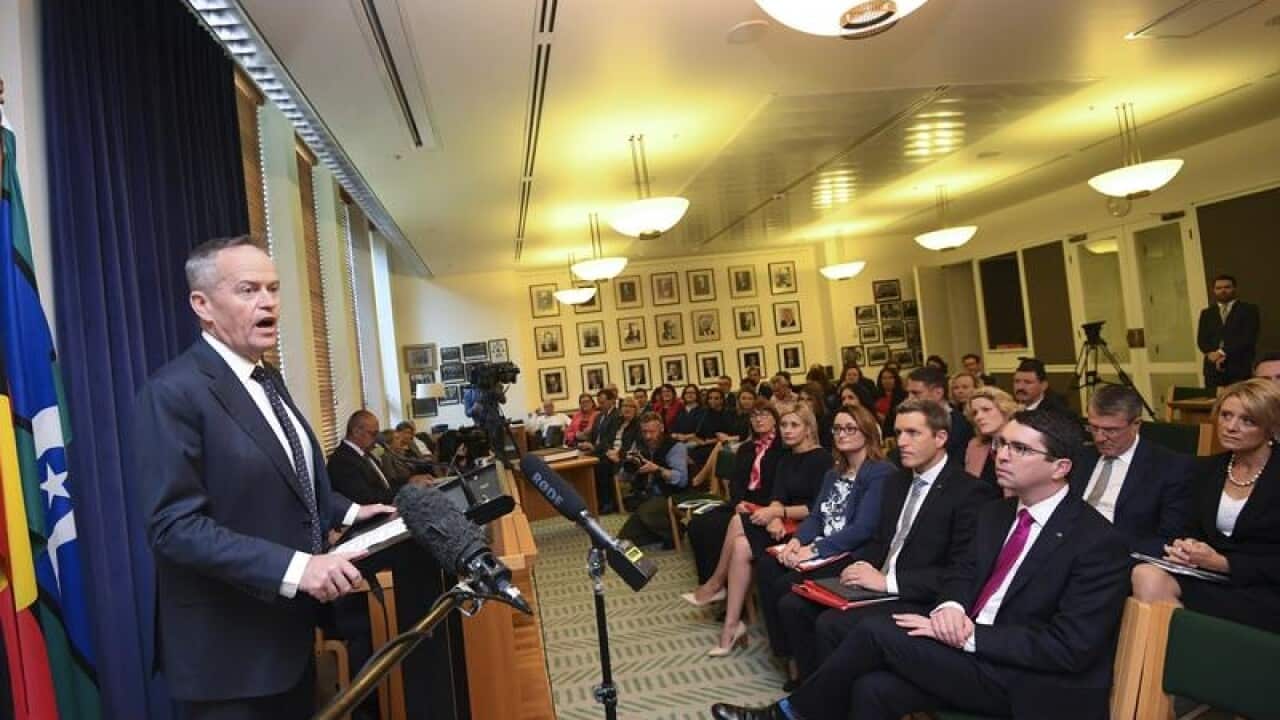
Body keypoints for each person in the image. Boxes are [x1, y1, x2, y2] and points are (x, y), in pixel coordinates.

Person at [712, 409, 1130, 720]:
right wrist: (950, 606)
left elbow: (1068, 648)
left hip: (1029, 680)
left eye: (1019, 449)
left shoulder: (1097, 542)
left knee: (875, 631)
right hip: (972, 649)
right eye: (1002, 444)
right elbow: (964, 573)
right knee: (872, 688)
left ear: (1060, 467)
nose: (1001, 456)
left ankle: (786, 714)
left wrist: (967, 636)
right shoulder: (998, 514)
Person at [137, 236, 393, 718]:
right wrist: (299, 569)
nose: (269, 301)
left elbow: (285, 478)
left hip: (288, 640)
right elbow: (174, 527)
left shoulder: (266, 377)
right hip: (229, 659)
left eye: (273, 288)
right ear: (202, 305)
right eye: (248, 289)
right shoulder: (172, 393)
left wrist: (351, 512)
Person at [779, 399, 996, 679]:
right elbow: (881, 540)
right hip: (878, 579)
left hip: (914, 592)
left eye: (913, 433)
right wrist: (862, 565)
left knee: (831, 624)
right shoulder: (898, 481)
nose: (902, 442)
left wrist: (887, 582)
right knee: (794, 604)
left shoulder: (969, 492)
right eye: (899, 432)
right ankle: (811, 686)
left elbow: (959, 570)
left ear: (940, 438)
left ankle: (823, 698)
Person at [758, 404, 895, 683]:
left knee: (787, 588)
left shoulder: (880, 472)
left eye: (850, 428)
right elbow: (817, 516)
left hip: (851, 553)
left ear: (867, 432)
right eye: (837, 429)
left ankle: (808, 674)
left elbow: (863, 529)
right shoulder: (834, 473)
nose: (842, 434)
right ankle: (788, 656)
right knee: (767, 565)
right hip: (823, 547)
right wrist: (797, 541)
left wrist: (812, 550)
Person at [1131, 379, 1280, 633]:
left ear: (1271, 427)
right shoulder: (1207, 468)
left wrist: (1224, 563)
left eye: (1247, 421)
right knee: (1145, 575)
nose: (1231, 427)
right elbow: (1192, 528)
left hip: (1265, 586)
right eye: (1226, 415)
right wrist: (1187, 548)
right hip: (1212, 575)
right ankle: (1177, 652)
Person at [684, 404, 832, 657]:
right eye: (784, 425)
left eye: (794, 425)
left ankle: (716, 585)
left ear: (808, 429)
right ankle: (731, 625)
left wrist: (778, 513)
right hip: (783, 522)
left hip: (806, 529)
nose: (787, 430)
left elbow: (817, 509)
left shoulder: (822, 459)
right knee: (741, 544)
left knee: (737, 522)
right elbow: (778, 495)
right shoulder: (786, 458)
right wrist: (774, 513)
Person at [1073, 384, 1193, 556]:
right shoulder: (1080, 457)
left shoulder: (1170, 467)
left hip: (1122, 556)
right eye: (1093, 427)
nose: (1099, 438)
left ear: (1136, 424)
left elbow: (1169, 538)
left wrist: (1107, 548)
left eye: (1110, 430)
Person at [686, 404, 786, 583]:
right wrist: (739, 501)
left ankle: (722, 583)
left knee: (717, 528)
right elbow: (736, 481)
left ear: (775, 420)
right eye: (754, 416)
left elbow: (781, 487)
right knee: (697, 524)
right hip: (742, 503)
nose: (758, 419)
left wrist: (762, 508)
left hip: (766, 506)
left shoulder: (783, 449)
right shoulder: (746, 448)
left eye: (764, 415)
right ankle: (708, 580)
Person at [617, 413, 696, 547]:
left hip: (670, 494)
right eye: (644, 432)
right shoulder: (639, 444)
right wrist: (628, 466)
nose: (648, 436)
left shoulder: (675, 447)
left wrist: (657, 469)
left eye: (652, 432)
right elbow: (622, 478)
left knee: (646, 513)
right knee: (625, 538)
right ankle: (669, 531)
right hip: (646, 495)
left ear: (661, 429)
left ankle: (675, 532)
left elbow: (681, 480)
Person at [886, 366, 973, 460]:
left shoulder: (958, 425)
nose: (909, 399)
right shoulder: (913, 418)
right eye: (908, 393)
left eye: (916, 393)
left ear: (938, 393)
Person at [1196, 274, 1261, 389]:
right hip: (1212, 371)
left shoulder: (1249, 310)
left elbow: (1248, 338)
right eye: (1219, 288)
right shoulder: (1206, 313)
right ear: (1214, 290)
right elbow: (1202, 340)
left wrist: (1221, 352)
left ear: (1234, 288)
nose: (1223, 291)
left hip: (1239, 368)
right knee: (1214, 400)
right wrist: (1211, 354)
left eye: (1227, 287)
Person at [329, 411, 404, 506]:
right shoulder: (342, 461)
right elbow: (365, 498)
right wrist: (403, 492)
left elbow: (385, 483)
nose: (377, 438)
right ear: (356, 432)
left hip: (386, 505)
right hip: (372, 512)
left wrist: (409, 484)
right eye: (373, 434)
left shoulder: (365, 452)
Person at [963, 386, 1020, 492]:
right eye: (975, 413)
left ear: (1004, 410)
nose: (978, 417)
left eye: (986, 410)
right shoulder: (975, 446)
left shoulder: (1023, 445)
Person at [579, 389, 622, 513]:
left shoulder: (617, 416)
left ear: (611, 401)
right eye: (598, 402)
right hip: (596, 450)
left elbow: (610, 439)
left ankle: (607, 503)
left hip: (608, 451)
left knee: (600, 465)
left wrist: (594, 447)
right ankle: (592, 500)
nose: (600, 405)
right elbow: (593, 436)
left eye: (602, 402)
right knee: (582, 461)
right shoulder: (599, 416)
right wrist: (587, 444)